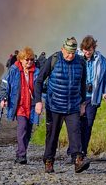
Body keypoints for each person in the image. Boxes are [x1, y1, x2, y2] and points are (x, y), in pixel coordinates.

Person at [34, 37, 89, 174]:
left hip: (73, 106)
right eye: (68, 53)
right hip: (54, 106)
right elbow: (39, 81)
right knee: (52, 135)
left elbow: (82, 84)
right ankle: (49, 162)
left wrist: (82, 104)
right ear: (62, 49)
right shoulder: (53, 59)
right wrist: (38, 102)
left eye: (73, 53)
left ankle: (78, 161)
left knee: (76, 133)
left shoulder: (81, 62)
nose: (70, 56)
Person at [67, 36, 106, 162]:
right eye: (86, 50)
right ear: (82, 48)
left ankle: (82, 153)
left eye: (90, 49)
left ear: (94, 48)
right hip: (77, 97)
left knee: (87, 125)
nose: (88, 52)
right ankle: (73, 152)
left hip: (93, 98)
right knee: (76, 125)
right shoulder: (75, 58)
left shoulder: (101, 60)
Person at [0, 47, 40, 164]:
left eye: (31, 59)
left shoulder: (36, 71)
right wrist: (2, 98)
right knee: (22, 128)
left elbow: (42, 87)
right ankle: (21, 155)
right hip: (20, 106)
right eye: (27, 59)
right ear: (21, 59)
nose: (29, 62)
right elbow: (4, 84)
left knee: (28, 132)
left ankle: (21, 153)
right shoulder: (14, 70)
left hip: (31, 106)